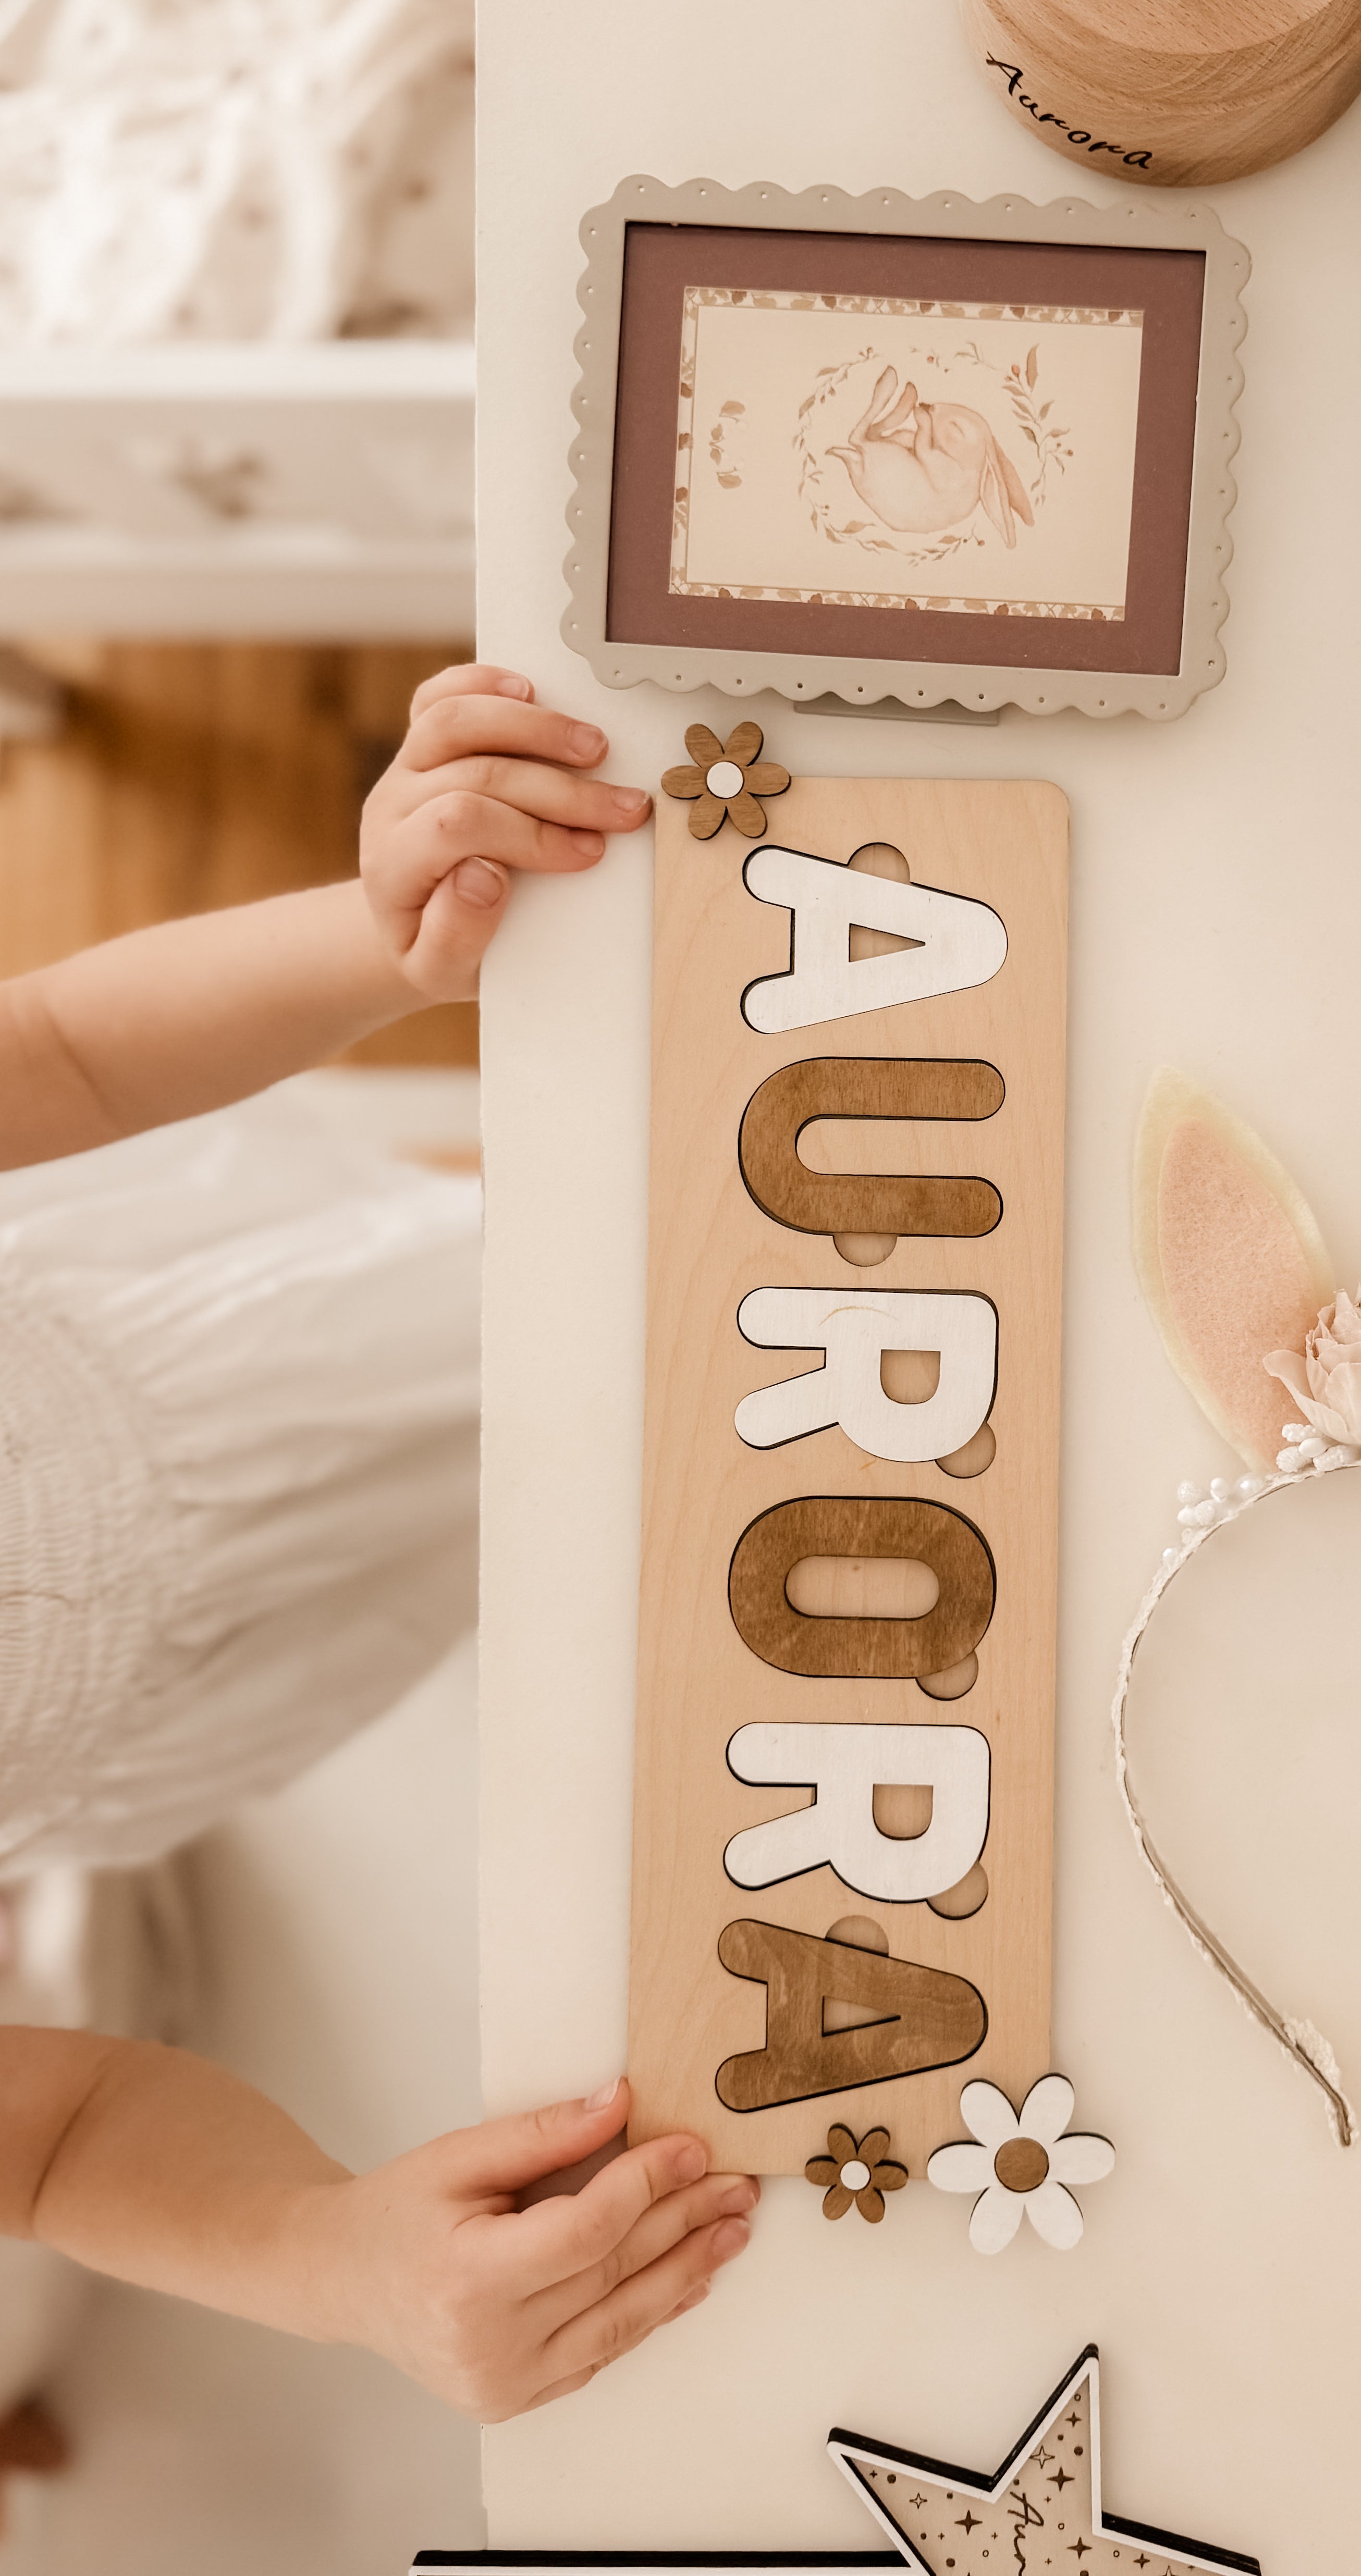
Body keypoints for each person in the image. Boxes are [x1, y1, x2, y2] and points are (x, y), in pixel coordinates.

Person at [0, 664, 757, 2419]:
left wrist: (379, 930)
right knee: (591, 1499)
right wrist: (338, 2259)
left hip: (208, 1339)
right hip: (227, 1634)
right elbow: (57, 2141)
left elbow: (55, 1051)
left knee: (577, 1259)